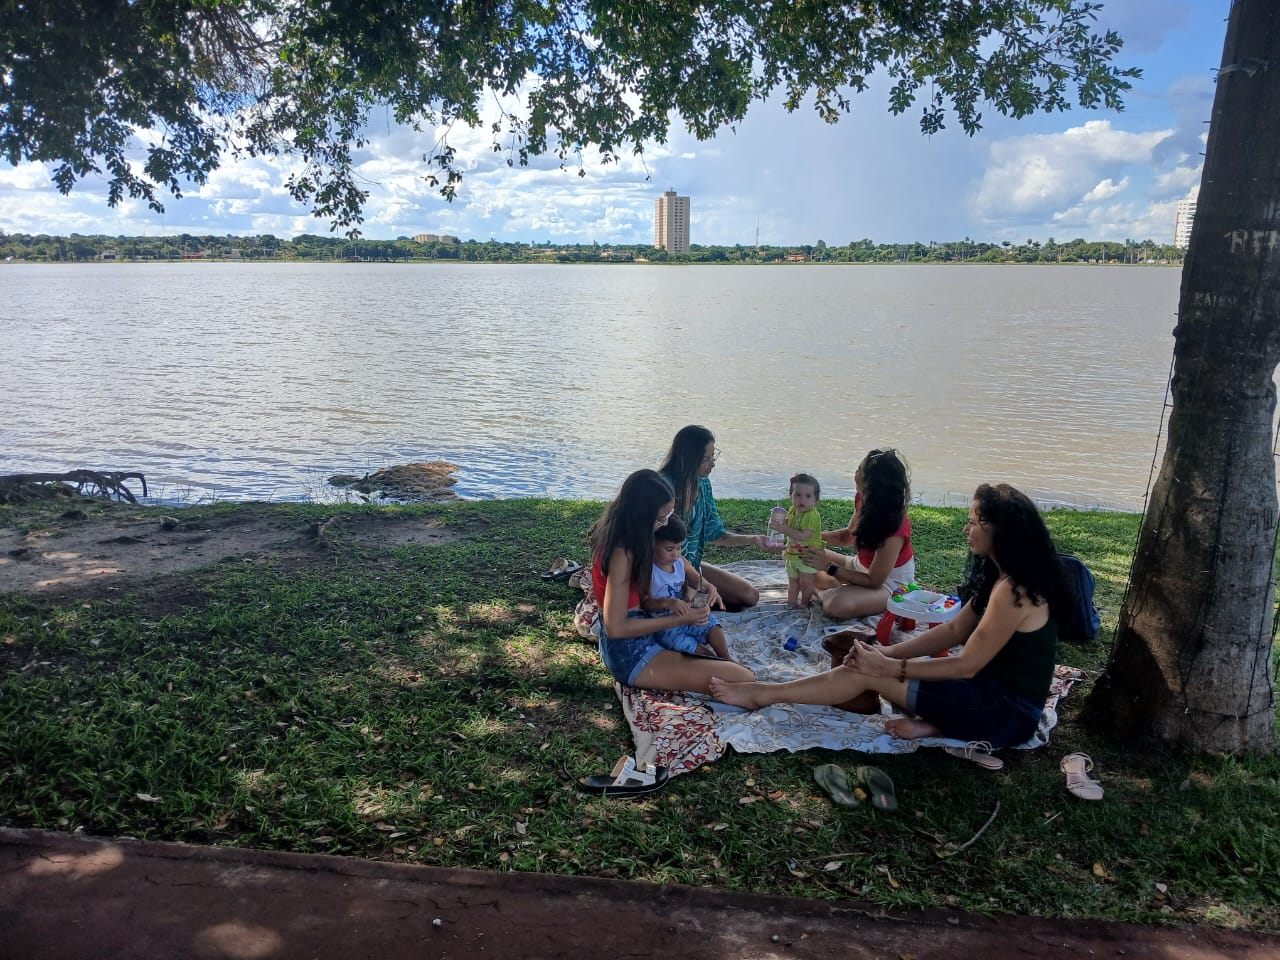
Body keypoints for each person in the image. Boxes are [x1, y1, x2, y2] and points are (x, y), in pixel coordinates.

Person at [710, 483, 1066, 749]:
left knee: (867, 672)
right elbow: (956, 629)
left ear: (998, 529)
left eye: (973, 522)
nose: (965, 529)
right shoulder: (997, 575)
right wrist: (889, 653)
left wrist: (888, 668)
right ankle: (936, 724)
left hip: (1006, 711)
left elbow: (966, 665)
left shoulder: (1014, 590)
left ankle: (761, 694)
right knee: (870, 664)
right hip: (983, 692)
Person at [590, 469, 755, 694]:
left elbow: (677, 558)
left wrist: (702, 582)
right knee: (742, 679)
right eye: (660, 519)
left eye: (669, 515)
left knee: (737, 673)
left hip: (646, 628)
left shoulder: (634, 531)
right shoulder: (623, 552)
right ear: (641, 515)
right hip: (631, 651)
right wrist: (677, 620)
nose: (665, 523)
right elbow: (616, 628)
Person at [659, 425, 768, 611]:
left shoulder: (702, 483)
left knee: (750, 595)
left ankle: (701, 596)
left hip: (691, 566)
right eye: (705, 459)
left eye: (713, 457)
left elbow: (715, 533)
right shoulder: (662, 486)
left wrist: (755, 539)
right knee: (691, 609)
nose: (712, 464)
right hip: (664, 568)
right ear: (688, 460)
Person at [798, 448, 915, 620]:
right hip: (858, 566)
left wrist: (828, 566)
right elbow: (847, 536)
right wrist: (807, 537)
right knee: (800, 554)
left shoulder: (895, 525)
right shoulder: (863, 498)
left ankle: (825, 590)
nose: (855, 473)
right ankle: (834, 586)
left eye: (859, 470)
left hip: (889, 584)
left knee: (835, 605)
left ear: (871, 483)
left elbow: (874, 580)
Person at [642, 517, 738, 663]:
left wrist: (710, 588)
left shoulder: (680, 562)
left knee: (711, 622)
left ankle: (725, 656)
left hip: (687, 615)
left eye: (679, 548)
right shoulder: (649, 570)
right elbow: (646, 603)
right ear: (652, 544)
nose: (675, 554)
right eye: (669, 549)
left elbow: (700, 583)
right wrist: (669, 603)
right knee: (680, 643)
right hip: (665, 626)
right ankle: (714, 659)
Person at [770, 473, 824, 608]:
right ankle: (791, 602)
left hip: (808, 557)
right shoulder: (792, 510)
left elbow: (803, 536)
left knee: (806, 582)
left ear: (816, 500)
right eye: (797, 494)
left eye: (808, 496)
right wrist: (778, 523)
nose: (802, 499)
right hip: (792, 555)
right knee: (793, 581)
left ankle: (805, 602)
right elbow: (787, 524)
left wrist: (785, 530)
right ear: (791, 496)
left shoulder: (812, 515)